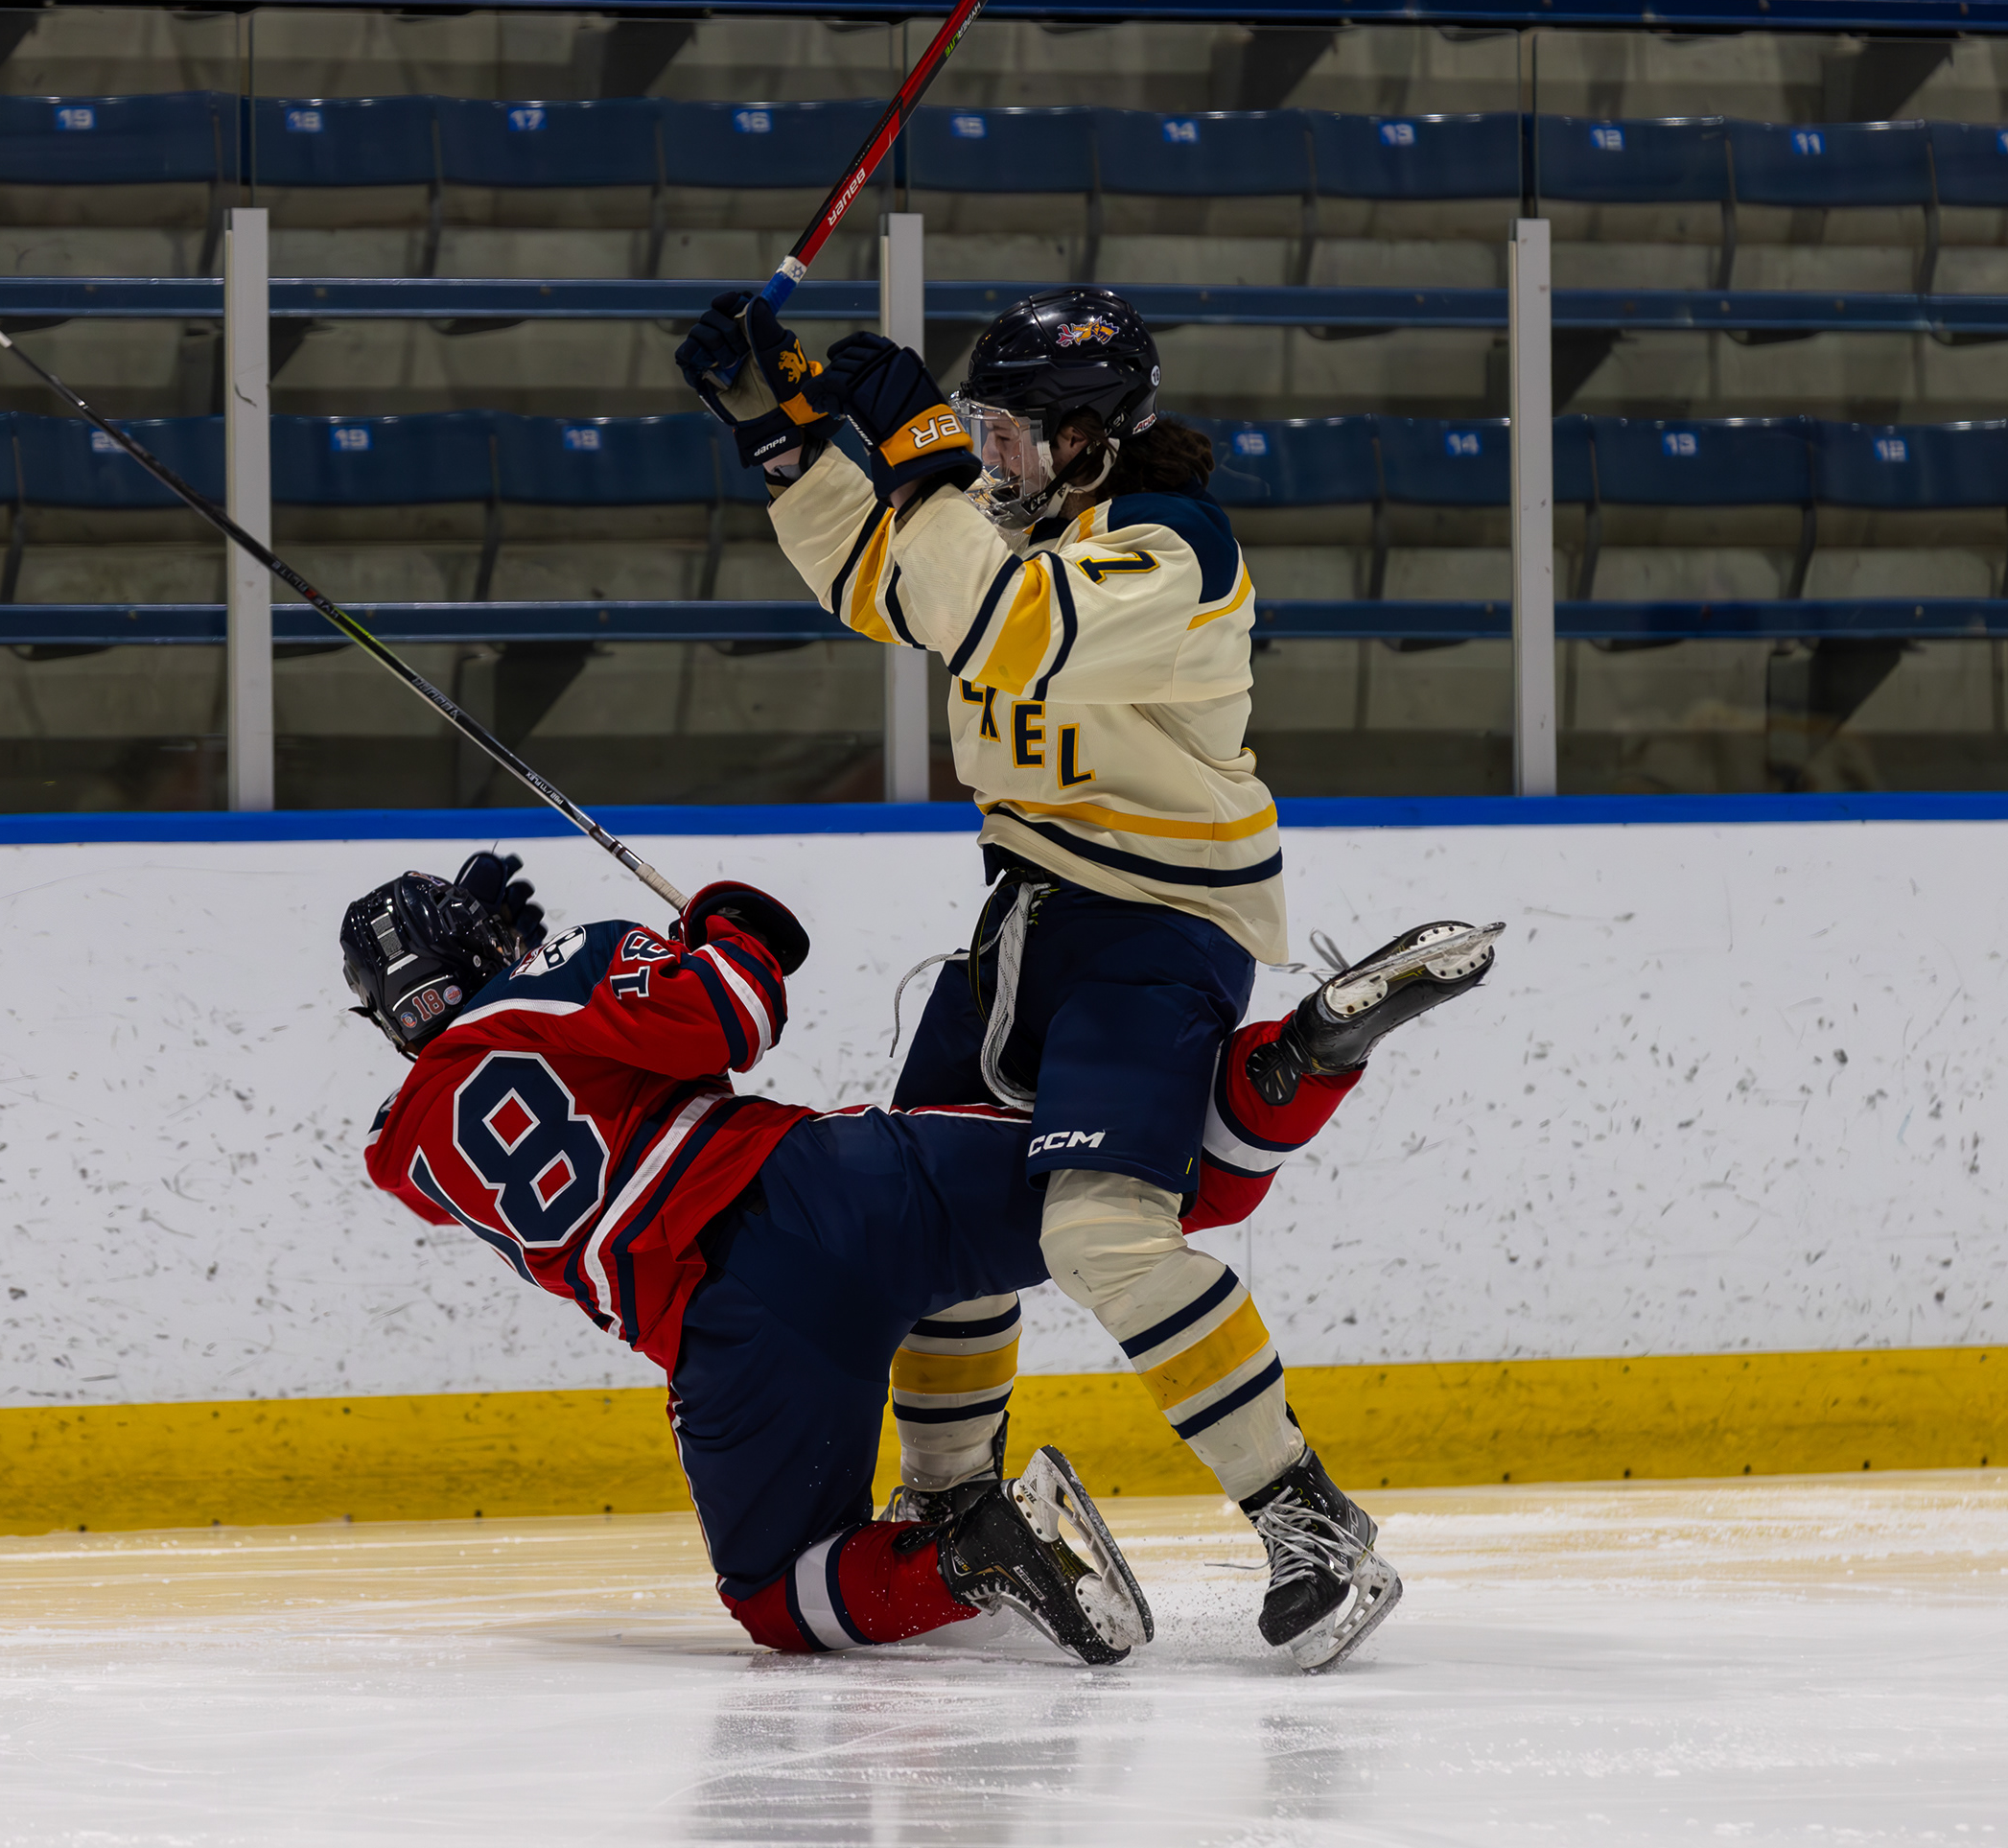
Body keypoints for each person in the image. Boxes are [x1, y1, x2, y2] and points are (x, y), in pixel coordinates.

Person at [678, 281, 1487, 1672]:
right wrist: (782, 432)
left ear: (1095, 434)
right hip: (1023, 926)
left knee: (1102, 1233)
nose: (989, 458)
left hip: (1161, 927)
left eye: (1009, 434)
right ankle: (951, 1506)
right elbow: (881, 586)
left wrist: (921, 455)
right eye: (979, 431)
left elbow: (999, 626)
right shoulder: (1010, 525)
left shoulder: (1173, 547)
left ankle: (1310, 1521)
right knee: (918, 1223)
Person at [352, 849, 1496, 1671]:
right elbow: (736, 1007)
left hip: (729, 1347)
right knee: (1129, 1186)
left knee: (774, 1598)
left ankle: (970, 1547)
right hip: (829, 1197)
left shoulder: (400, 1150)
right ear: (481, 948)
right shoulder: (549, 982)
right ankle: (1301, 1061)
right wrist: (718, 919)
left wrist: (504, 957)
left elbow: (486, 1053)